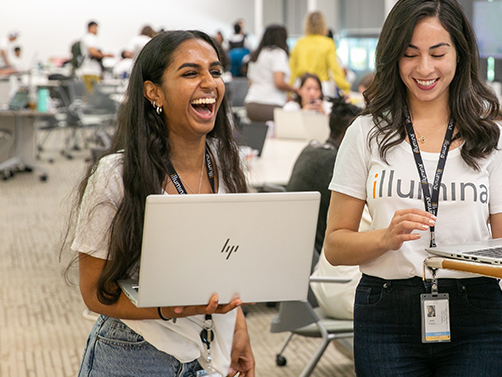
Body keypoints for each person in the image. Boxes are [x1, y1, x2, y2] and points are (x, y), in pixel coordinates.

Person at [324, 0, 502, 376]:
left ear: (461, 55)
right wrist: (385, 238)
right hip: (386, 311)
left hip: (476, 311)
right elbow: (335, 245)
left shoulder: (490, 139)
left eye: (438, 53)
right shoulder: (366, 133)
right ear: (392, 56)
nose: (424, 68)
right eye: (410, 53)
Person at [68, 30, 255, 376]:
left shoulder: (227, 163)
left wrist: (238, 325)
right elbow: (94, 293)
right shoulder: (116, 174)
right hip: (135, 353)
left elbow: (227, 260)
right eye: (190, 73)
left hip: (209, 351)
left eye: (214, 71)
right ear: (154, 91)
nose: (209, 83)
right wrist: (172, 308)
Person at [287, 97, 362, 254]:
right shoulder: (336, 163)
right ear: (350, 132)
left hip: (295, 242)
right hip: (319, 252)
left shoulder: (310, 148)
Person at [289, 11, 351, 95]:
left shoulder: (299, 43)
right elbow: (334, 68)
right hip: (321, 86)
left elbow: (292, 69)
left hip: (302, 86)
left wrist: (289, 91)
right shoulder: (328, 43)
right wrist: (345, 88)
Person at [244, 24, 296, 123]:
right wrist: (295, 89)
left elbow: (250, 83)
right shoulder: (278, 53)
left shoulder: (256, 55)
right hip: (271, 105)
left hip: (251, 105)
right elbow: (279, 82)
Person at [79, 21, 114, 90]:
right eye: (95, 28)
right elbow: (93, 52)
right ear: (90, 28)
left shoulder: (87, 37)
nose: (96, 30)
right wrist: (106, 55)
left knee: (90, 95)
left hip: (90, 70)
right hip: (90, 70)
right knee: (93, 95)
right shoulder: (90, 37)